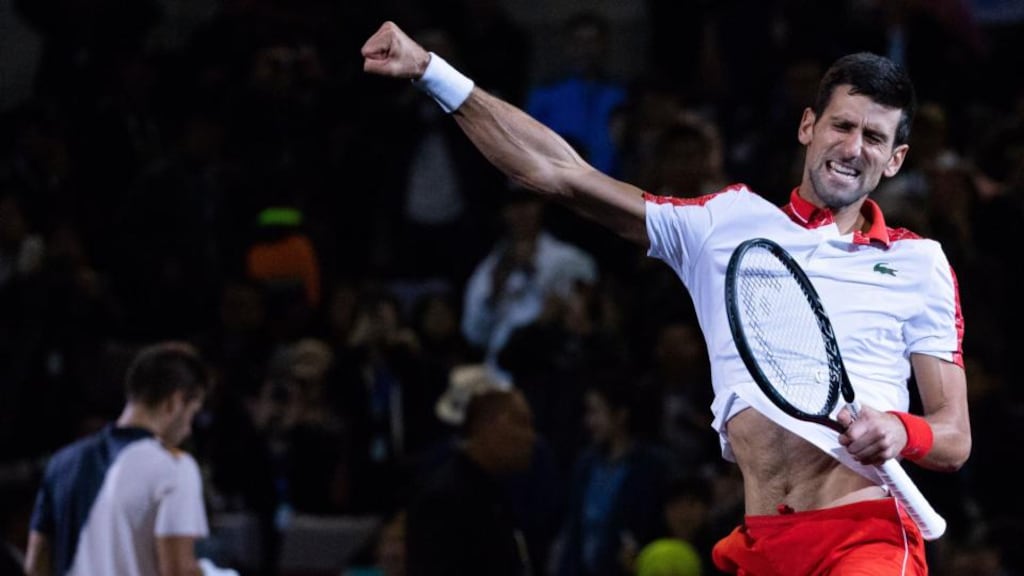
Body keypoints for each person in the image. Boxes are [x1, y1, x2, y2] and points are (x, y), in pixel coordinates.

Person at [360, 22, 971, 575]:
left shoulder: (918, 264)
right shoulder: (724, 224)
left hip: (864, 538)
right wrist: (432, 72)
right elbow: (557, 172)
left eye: (874, 137)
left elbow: (954, 436)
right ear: (809, 126)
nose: (854, 146)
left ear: (895, 160)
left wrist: (899, 430)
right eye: (842, 124)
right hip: (763, 541)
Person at [24, 341, 214, 576]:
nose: (188, 430)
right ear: (174, 402)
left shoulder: (62, 462)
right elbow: (177, 571)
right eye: (192, 413)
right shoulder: (175, 467)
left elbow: (35, 565)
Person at [404, 383, 538, 576]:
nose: (531, 437)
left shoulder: (497, 489)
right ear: (486, 425)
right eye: (521, 422)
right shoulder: (443, 501)